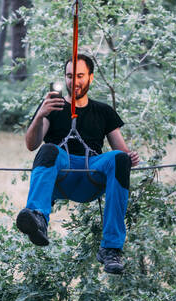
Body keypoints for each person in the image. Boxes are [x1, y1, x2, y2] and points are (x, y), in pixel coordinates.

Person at [16, 54, 140, 274]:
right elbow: (31, 144)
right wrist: (40, 114)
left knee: (119, 159)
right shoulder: (52, 107)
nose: (75, 81)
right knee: (49, 149)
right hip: (60, 173)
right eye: (70, 76)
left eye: (80, 76)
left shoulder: (104, 112)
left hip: (90, 174)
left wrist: (130, 159)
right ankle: (38, 219)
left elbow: (122, 153)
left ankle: (111, 248)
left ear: (91, 78)